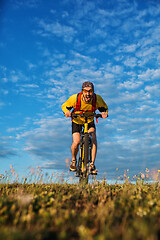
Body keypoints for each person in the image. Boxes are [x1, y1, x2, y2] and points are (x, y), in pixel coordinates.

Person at [61, 81, 108, 174]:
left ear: (93, 92)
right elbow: (64, 106)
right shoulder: (75, 98)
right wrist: (67, 112)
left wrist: (104, 113)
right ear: (82, 91)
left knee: (93, 138)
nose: (88, 94)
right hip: (77, 121)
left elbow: (104, 108)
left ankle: (92, 164)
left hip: (89, 120)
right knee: (76, 141)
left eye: (90, 91)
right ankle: (74, 160)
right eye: (85, 91)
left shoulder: (97, 99)